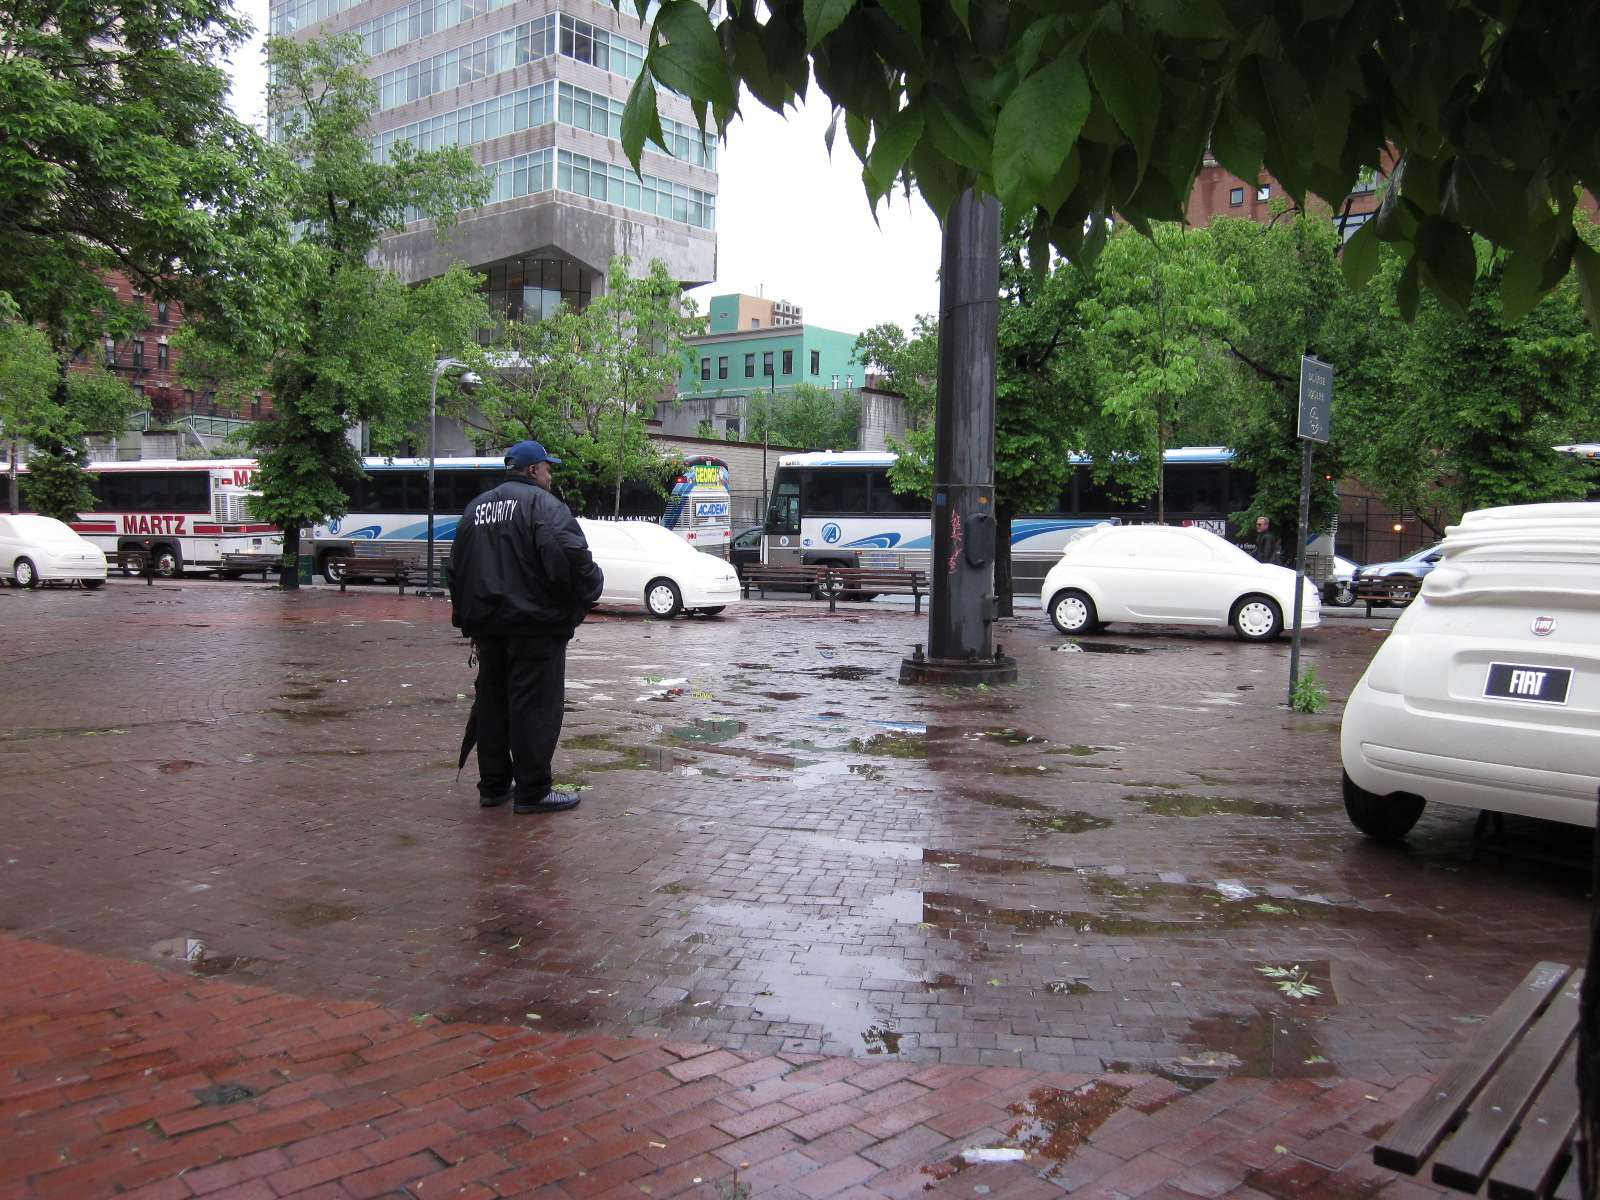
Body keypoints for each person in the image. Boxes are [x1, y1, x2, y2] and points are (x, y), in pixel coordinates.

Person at [449, 441, 603, 815]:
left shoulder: (475, 509)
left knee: (493, 705)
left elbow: (455, 569)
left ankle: (494, 785)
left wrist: (468, 619)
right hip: (535, 626)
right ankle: (533, 790)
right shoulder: (543, 506)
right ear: (533, 470)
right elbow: (570, 560)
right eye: (548, 469)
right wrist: (585, 595)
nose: (550, 477)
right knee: (534, 707)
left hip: (487, 627)